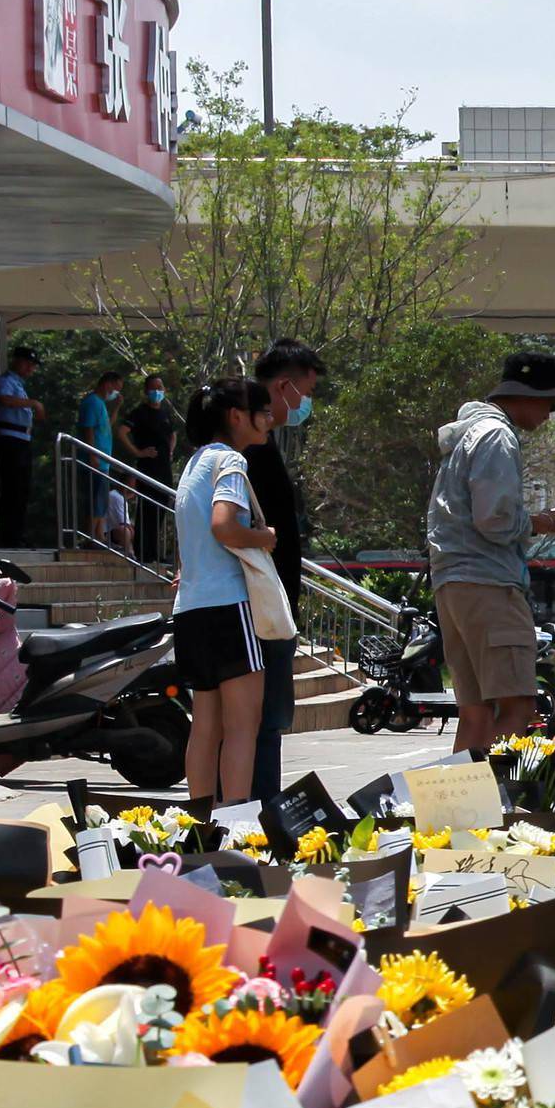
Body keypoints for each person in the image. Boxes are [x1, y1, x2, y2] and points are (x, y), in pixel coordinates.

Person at [426, 349, 555, 753]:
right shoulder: (497, 436)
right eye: (549, 402)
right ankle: (500, 801)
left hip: (453, 582)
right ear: (526, 397)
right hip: (489, 584)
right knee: (518, 705)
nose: (549, 414)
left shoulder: (467, 433)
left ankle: (459, 811)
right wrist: (544, 521)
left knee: (475, 712)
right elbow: (495, 520)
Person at [169, 379, 276, 810]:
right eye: (262, 411)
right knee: (242, 727)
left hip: (190, 609)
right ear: (236, 416)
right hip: (228, 608)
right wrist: (264, 537)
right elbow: (223, 525)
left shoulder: (193, 465)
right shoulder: (231, 462)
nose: (269, 420)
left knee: (204, 727)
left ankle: (200, 827)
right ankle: (236, 826)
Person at [245, 337, 323, 800]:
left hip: (274, 603)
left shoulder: (264, 446)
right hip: (259, 608)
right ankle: (255, 813)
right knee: (262, 719)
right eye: (305, 392)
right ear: (283, 386)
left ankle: (258, 806)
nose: (305, 404)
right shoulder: (246, 453)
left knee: (268, 719)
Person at [123, 370, 182, 563]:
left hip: (164, 467)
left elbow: (173, 434)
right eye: (153, 388)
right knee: (147, 508)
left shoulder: (165, 413)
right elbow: (122, 432)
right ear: (146, 391)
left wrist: (171, 450)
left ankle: (154, 551)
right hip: (148, 467)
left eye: (160, 388)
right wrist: (138, 452)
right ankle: (143, 551)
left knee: (161, 508)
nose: (157, 391)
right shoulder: (139, 413)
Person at [0, 343, 40, 546]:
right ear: (17, 361)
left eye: (33, 365)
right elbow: (5, 399)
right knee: (12, 489)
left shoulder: (20, 385)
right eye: (28, 363)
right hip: (10, 439)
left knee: (22, 490)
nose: (30, 368)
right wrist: (33, 404)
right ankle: (9, 537)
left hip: (22, 440)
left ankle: (18, 535)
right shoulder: (6, 381)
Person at [76, 364, 129, 548]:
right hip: (95, 460)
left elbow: (107, 424)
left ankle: (99, 534)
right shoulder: (91, 402)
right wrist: (93, 454)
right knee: (94, 499)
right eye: (116, 388)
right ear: (108, 384)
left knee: (101, 501)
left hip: (104, 462)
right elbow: (88, 429)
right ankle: (91, 536)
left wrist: (116, 407)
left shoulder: (101, 404)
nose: (116, 392)